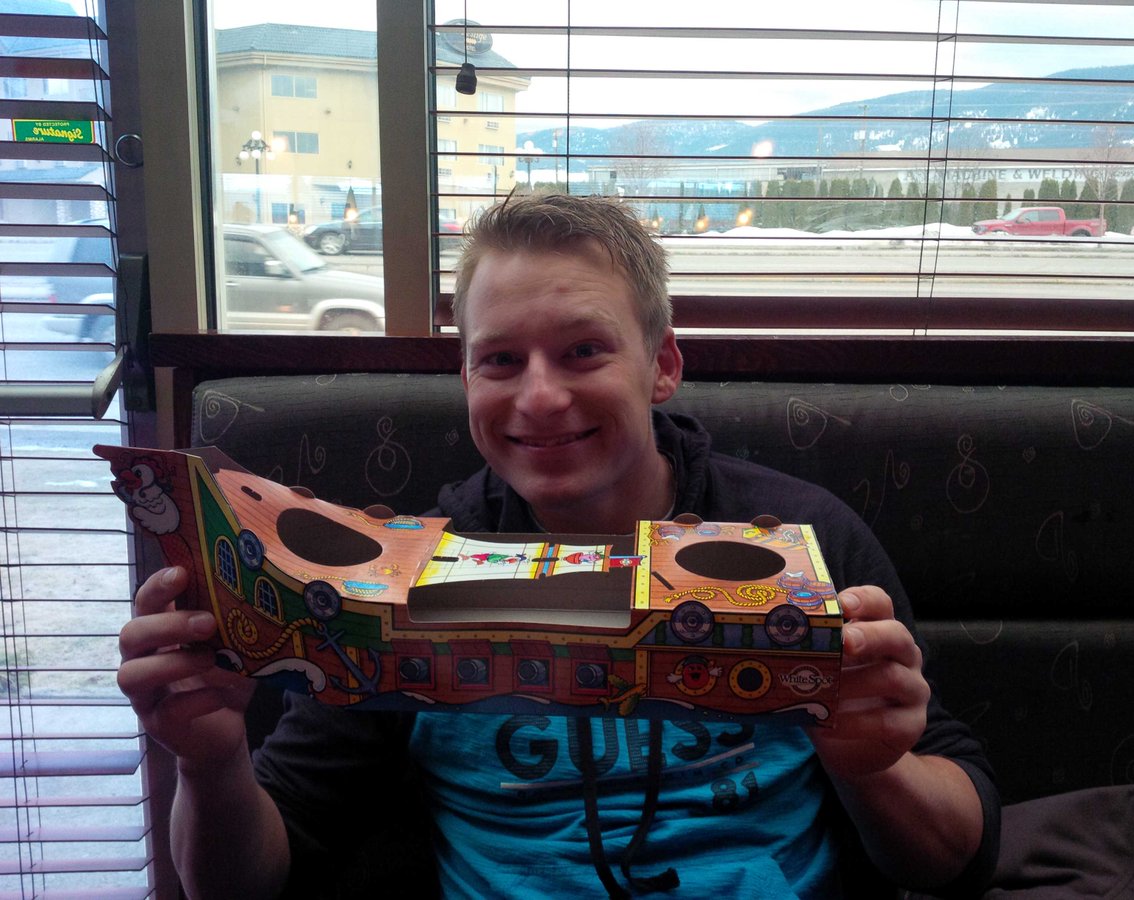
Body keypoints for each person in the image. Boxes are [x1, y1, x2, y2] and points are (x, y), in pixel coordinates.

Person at [117, 193, 1000, 899]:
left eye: (583, 351)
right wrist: (210, 761)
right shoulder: (394, 580)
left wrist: (874, 768)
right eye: (500, 360)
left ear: (662, 365)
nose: (539, 398)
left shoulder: (803, 541)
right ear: (466, 377)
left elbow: (957, 858)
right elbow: (246, 880)